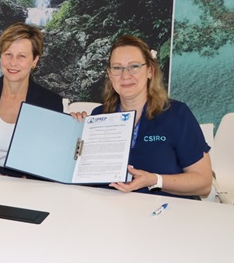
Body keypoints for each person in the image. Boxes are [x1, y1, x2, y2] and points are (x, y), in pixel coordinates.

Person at [87, 35, 212, 199]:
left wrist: (155, 180)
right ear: (109, 75)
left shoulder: (177, 114)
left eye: (134, 66)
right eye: (117, 68)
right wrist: (75, 127)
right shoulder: (98, 117)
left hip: (164, 214)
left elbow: (203, 184)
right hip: (110, 213)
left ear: (150, 71)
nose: (125, 75)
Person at [0, 22, 63, 177]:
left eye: (21, 56)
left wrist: (23, 182)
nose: (13, 62)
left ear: (34, 61)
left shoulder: (50, 103)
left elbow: (48, 157)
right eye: (8, 54)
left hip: (28, 185)